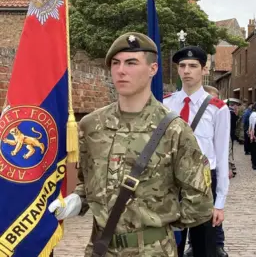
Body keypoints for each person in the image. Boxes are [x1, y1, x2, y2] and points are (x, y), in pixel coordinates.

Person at [47, 32, 214, 256]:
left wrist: (158, 222)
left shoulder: (174, 130)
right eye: (115, 63)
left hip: (153, 251)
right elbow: (88, 183)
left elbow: (200, 202)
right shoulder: (91, 126)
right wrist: (77, 200)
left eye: (131, 62)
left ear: (152, 69)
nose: (121, 70)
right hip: (100, 248)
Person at [163, 46, 230, 257]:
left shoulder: (217, 108)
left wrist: (219, 203)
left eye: (193, 66)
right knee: (171, 248)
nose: (187, 70)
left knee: (204, 249)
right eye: (182, 66)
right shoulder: (165, 103)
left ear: (204, 69)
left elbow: (221, 157)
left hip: (204, 182)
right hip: (171, 182)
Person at [228, 98, 242, 178]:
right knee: (229, 152)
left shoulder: (230, 113)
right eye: (237, 106)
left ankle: (231, 168)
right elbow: (233, 126)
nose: (238, 108)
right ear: (234, 106)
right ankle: (231, 168)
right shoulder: (231, 114)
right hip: (230, 135)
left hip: (230, 134)